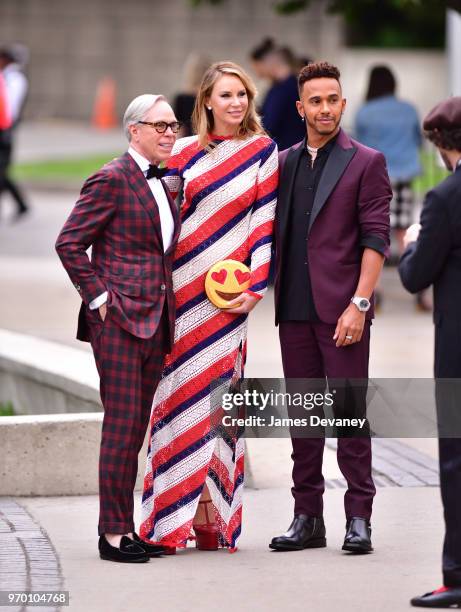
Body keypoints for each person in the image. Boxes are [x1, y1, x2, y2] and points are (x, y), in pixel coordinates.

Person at [140, 61, 278, 553]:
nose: (236, 103)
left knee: (219, 405)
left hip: (228, 301)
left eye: (242, 93)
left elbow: (264, 224)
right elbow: (155, 219)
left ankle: (210, 517)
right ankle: (170, 519)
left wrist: (256, 289)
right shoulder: (179, 154)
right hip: (180, 296)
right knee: (177, 400)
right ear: (206, 103)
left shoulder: (263, 150)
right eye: (225, 95)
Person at [270, 61, 391, 553]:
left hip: (344, 310)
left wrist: (359, 304)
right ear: (301, 108)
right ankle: (308, 517)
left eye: (333, 99)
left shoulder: (367, 161)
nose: (325, 108)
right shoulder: (283, 162)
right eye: (315, 101)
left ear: (344, 103)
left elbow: (376, 239)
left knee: (347, 416)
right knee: (304, 419)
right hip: (293, 310)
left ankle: (358, 517)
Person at [55, 94, 181, 563]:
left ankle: (126, 530)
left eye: (173, 125)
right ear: (134, 130)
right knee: (122, 428)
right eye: (160, 126)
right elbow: (69, 243)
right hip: (121, 323)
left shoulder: (164, 182)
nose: (169, 133)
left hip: (155, 320)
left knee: (134, 430)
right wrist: (101, 298)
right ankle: (112, 536)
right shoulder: (111, 178)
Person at [399, 97, 461, 608]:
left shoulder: (445, 198)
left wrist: (417, 240)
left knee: (457, 461)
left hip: (458, 353)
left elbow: (415, 276)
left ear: (442, 144)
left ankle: (457, 576)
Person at [355, 66, 426, 309]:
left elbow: (359, 148)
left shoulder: (364, 112)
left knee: (374, 231)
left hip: (376, 177)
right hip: (405, 174)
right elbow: (418, 140)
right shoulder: (408, 110)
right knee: (404, 231)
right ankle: (419, 287)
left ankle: (375, 289)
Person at [250, 38, 306, 150]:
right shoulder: (279, 88)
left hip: (290, 152)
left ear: (267, 63)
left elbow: (269, 125)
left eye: (258, 67)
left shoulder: (287, 89)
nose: (258, 73)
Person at [0, 45, 29, 220]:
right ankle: (21, 204)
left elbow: (10, 108)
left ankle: (21, 204)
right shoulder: (8, 77)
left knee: (1, 171)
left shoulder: (14, 79)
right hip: (5, 128)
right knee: (2, 171)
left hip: (5, 129)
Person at [173, 52, 210, 137]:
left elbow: (179, 129)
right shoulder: (211, 98)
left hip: (189, 141)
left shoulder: (182, 98)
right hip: (210, 141)